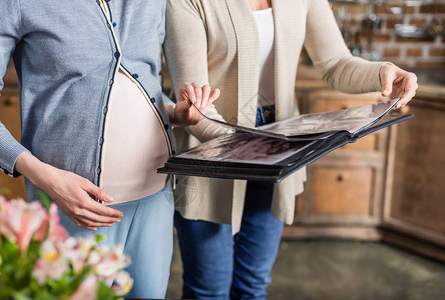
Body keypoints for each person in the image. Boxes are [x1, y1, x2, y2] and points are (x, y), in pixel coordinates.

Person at [163, 0, 418, 299]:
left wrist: (384, 72)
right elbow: (195, 105)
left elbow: (335, 63)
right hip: (212, 151)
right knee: (209, 290)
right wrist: (246, 144)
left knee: (252, 285)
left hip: (281, 148)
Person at [0, 0, 219, 298]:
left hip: (156, 195)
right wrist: (44, 177)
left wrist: (177, 113)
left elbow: (136, 85)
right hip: (71, 203)